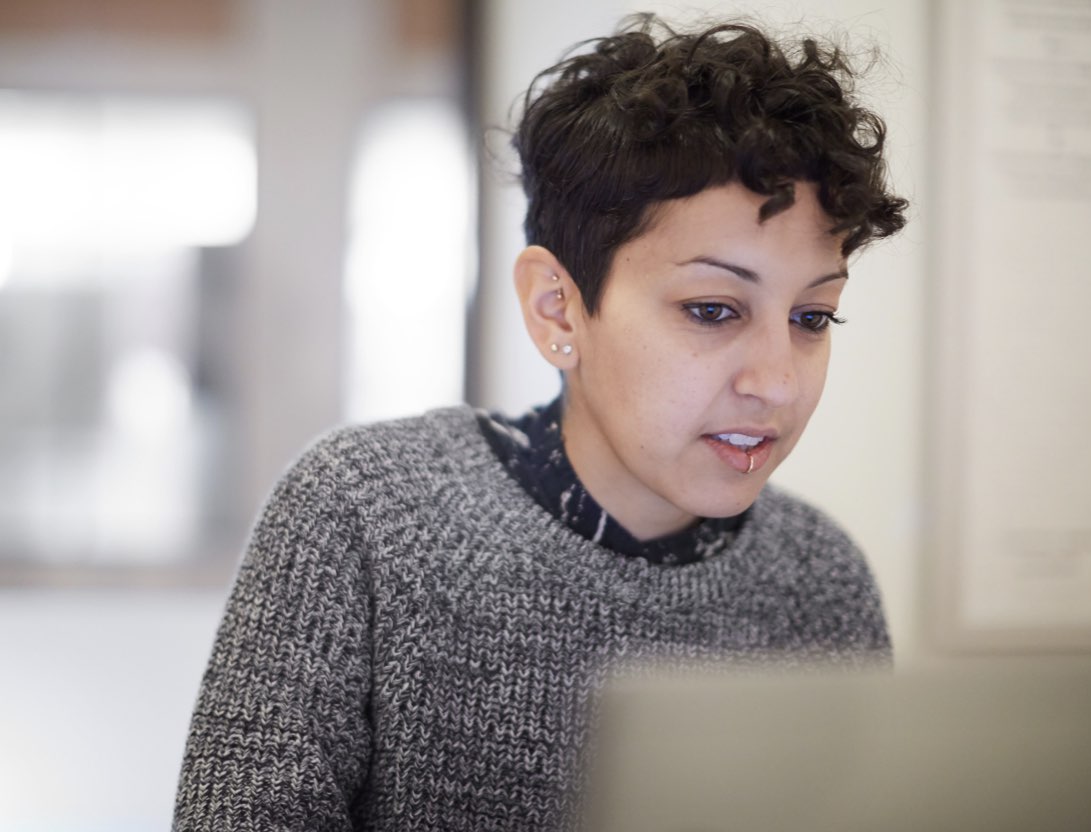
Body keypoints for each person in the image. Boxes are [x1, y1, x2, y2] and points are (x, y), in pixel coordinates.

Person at [173, 13, 907, 831]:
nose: (776, 383)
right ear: (558, 308)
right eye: (712, 308)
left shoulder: (823, 583)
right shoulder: (360, 515)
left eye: (813, 319)